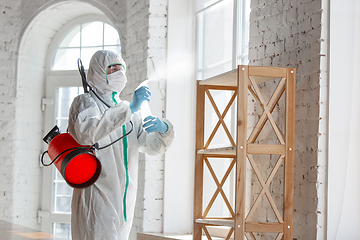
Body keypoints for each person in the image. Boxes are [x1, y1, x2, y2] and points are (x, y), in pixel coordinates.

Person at [67, 50, 174, 240]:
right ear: (98, 72)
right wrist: (130, 108)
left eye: (120, 68)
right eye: (112, 69)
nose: (118, 73)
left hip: (125, 199)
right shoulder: (85, 103)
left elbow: (153, 147)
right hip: (96, 195)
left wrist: (164, 129)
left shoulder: (129, 110)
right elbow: (88, 134)